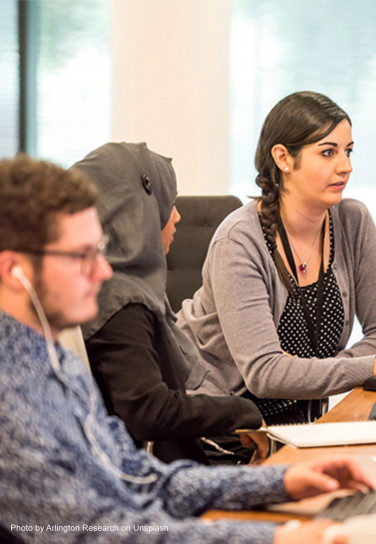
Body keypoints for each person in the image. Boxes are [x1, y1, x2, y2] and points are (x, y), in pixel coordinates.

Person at [0, 154, 372, 544]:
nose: (103, 270)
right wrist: (274, 538)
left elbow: (136, 475)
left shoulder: (54, 363)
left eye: (99, 249)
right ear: (13, 271)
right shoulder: (12, 396)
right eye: (81, 255)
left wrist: (280, 481)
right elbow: (96, 531)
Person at [177, 91, 376, 424]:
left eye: (348, 151)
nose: (346, 166)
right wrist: (371, 365)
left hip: (303, 421)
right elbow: (265, 373)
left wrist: (311, 371)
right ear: (283, 158)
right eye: (327, 152)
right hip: (226, 427)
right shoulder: (239, 241)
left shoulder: (352, 221)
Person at [72, 142, 266, 465]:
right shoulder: (121, 302)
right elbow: (149, 411)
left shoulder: (121, 288)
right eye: (169, 203)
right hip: (153, 483)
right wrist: (241, 412)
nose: (177, 216)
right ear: (137, 210)